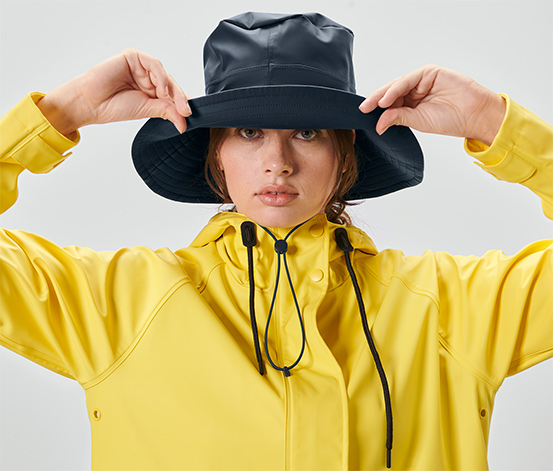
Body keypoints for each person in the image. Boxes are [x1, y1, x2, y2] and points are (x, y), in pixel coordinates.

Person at [0, 11, 551, 471]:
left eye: (307, 133)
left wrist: (494, 122)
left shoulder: (453, 306)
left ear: (345, 156)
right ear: (215, 152)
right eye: (248, 131)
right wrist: (57, 115)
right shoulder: (114, 302)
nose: (278, 163)